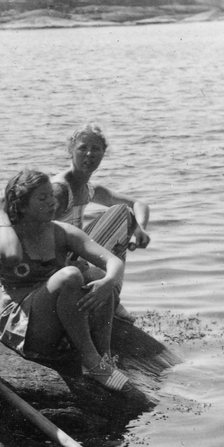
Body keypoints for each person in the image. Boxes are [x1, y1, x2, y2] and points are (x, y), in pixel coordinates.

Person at [0, 169, 130, 391]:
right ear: (22, 206)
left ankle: (104, 357)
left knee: (96, 276)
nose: (52, 203)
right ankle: (91, 361)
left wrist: (109, 281)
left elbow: (113, 262)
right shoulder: (4, 236)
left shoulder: (61, 232)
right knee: (70, 276)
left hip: (60, 324)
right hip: (26, 327)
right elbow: (12, 256)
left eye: (51, 196)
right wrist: (0, 214)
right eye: (42, 198)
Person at [53, 123, 151, 322]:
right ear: (70, 150)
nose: (89, 154)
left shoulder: (89, 188)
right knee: (121, 214)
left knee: (124, 213)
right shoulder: (60, 189)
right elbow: (36, 233)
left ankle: (111, 292)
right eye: (82, 148)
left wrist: (140, 229)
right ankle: (111, 296)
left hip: (73, 252)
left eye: (96, 149)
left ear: (103, 153)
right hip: (55, 261)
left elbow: (138, 204)